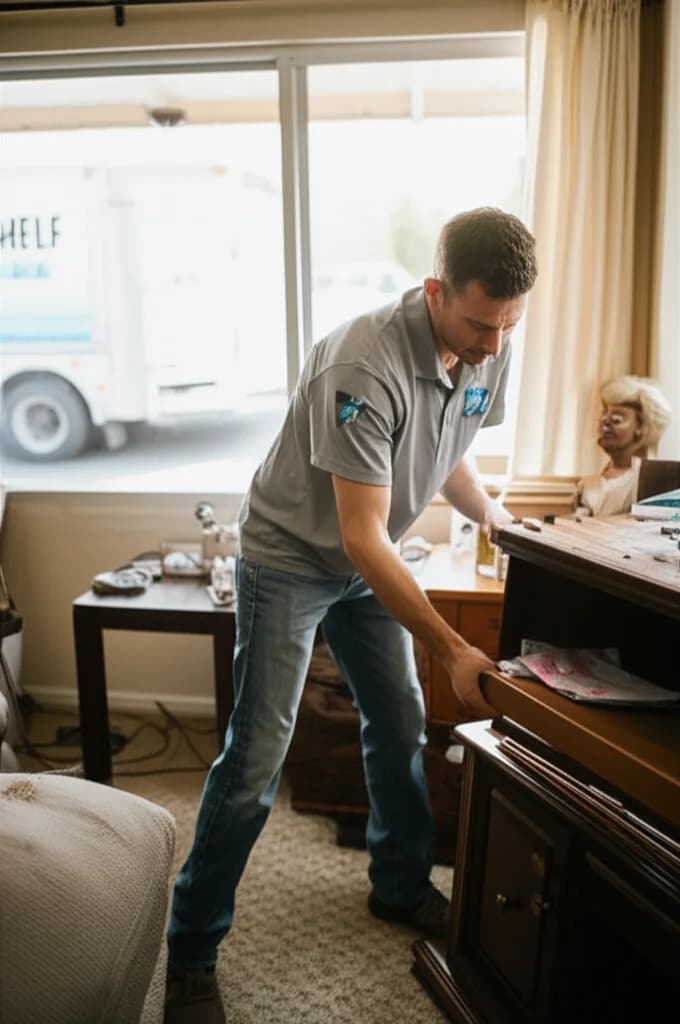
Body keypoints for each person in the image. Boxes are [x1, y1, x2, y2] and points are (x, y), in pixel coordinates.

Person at [164, 207, 538, 1024]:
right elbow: (364, 537)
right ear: (437, 291)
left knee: (399, 720)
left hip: (366, 562)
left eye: (509, 325)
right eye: (480, 323)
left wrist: (493, 514)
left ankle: (399, 888)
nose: (494, 345)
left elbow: (447, 443)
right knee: (257, 757)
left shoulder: (490, 338)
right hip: (292, 559)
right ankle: (191, 949)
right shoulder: (363, 361)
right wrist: (448, 648)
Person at [575, 375, 671, 517]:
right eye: (603, 414)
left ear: (641, 426)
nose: (604, 423)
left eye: (616, 418)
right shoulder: (588, 485)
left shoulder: (652, 481)